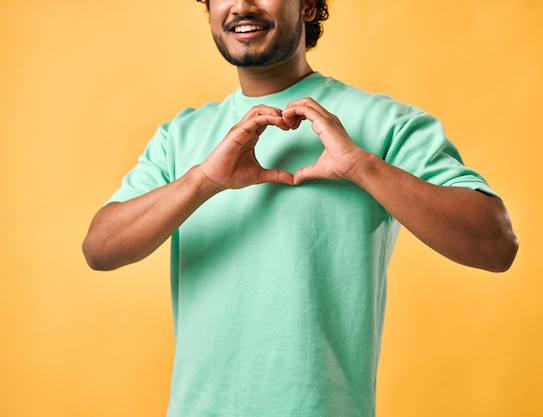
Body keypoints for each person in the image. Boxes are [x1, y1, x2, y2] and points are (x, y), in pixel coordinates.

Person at [83, 0, 518, 415]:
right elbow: (100, 248)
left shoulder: (387, 123)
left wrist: (361, 167)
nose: (242, 6)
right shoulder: (180, 136)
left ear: (308, 6)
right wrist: (203, 181)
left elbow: (496, 244)